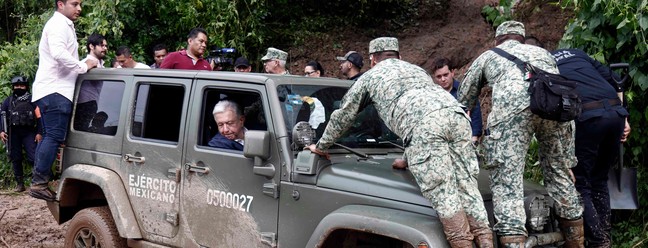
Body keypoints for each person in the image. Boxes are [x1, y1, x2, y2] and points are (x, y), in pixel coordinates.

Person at [307, 37, 493, 248]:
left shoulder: (371, 77)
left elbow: (344, 116)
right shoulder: (417, 71)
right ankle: (486, 242)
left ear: (372, 60)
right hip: (457, 116)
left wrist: (321, 146)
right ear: (399, 56)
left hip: (425, 127)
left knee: (444, 193)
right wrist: (408, 157)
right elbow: (426, 113)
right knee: (467, 185)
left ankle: (462, 243)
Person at [458, 21, 584, 247]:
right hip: (555, 108)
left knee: (508, 181)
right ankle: (576, 241)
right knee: (560, 174)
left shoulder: (489, 55)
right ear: (521, 39)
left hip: (513, 111)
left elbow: (464, 98)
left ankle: (514, 241)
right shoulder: (543, 53)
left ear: (498, 40)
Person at [551, 48, 631, 247]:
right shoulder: (577, 53)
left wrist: (563, 150)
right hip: (615, 113)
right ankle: (604, 236)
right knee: (599, 179)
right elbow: (616, 80)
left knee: (581, 183)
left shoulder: (544, 62)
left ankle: (598, 241)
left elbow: (552, 103)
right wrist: (625, 117)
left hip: (588, 117)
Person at [31, 0, 98, 201]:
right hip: (55, 90)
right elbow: (59, 54)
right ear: (61, 4)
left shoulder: (63, 24)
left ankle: (41, 180)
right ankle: (39, 182)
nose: (79, 8)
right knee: (53, 136)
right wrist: (83, 66)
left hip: (55, 90)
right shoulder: (58, 25)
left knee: (52, 136)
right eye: (75, 3)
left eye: (80, 4)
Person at [0, 76, 42, 192]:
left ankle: (37, 183)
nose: (19, 87)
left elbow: (39, 118)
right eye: (17, 86)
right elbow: (2, 117)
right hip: (13, 133)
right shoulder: (8, 101)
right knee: (15, 158)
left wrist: (39, 132)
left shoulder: (33, 100)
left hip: (29, 132)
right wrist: (1, 131)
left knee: (33, 157)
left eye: (21, 85)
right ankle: (20, 185)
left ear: (26, 87)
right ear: (13, 87)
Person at [431, 58, 483, 142]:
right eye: (439, 77)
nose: (443, 79)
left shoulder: (465, 90)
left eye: (445, 75)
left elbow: (475, 114)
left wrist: (474, 136)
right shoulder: (432, 96)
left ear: (452, 72)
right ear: (434, 77)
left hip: (465, 139)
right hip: (442, 141)